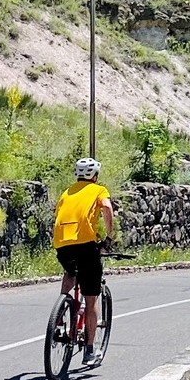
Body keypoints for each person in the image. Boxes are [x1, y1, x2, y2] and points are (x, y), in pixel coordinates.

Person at [53, 157, 116, 367]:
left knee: (70, 272)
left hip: (62, 245)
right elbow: (106, 207)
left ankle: (59, 314)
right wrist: (109, 235)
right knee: (91, 299)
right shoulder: (99, 190)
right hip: (86, 246)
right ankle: (89, 350)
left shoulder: (67, 192)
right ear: (95, 176)